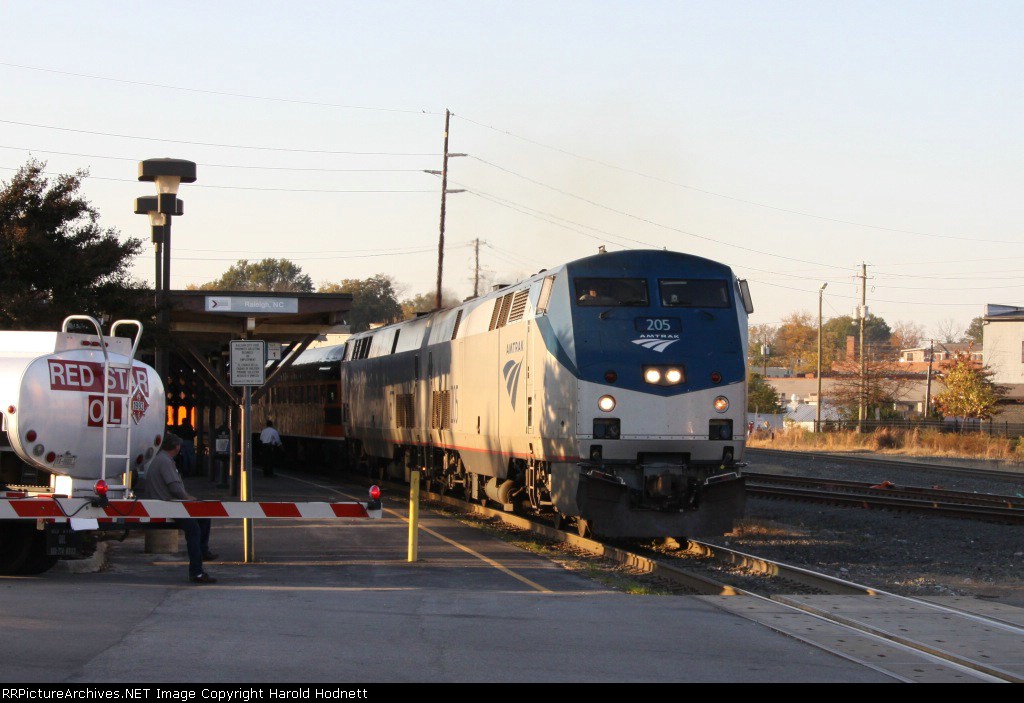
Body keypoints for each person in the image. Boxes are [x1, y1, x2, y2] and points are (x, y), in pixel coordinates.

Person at [145, 432, 218, 584]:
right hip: (170, 505)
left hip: (166, 504)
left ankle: (203, 551)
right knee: (194, 529)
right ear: (177, 447)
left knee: (203, 517)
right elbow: (174, 486)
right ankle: (196, 571)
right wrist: (187, 498)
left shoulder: (161, 459)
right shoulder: (165, 462)